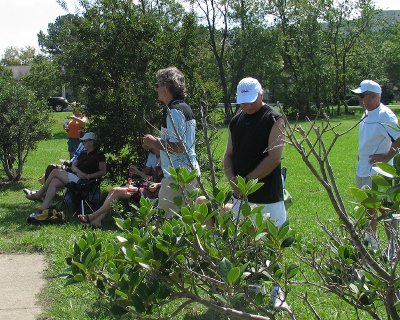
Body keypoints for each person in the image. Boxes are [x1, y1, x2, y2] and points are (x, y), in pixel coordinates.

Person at [223, 77, 289, 310]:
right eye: (243, 101)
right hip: (240, 195)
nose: (247, 106)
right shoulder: (236, 121)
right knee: (245, 242)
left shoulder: (274, 118)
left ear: (262, 94)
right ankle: (252, 286)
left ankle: (277, 292)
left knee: (274, 243)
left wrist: (247, 182)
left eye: (251, 100)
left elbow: (274, 157)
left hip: (268, 195)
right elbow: (228, 155)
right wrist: (232, 179)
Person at [143, 66, 200, 218]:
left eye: (157, 85)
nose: (156, 89)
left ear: (166, 87)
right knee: (188, 223)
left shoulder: (174, 111)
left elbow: (179, 147)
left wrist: (154, 142)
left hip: (178, 178)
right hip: (188, 174)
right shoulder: (183, 108)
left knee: (164, 222)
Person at [351, 80, 400, 249]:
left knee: (385, 211)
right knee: (368, 209)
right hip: (363, 169)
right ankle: (372, 246)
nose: (360, 99)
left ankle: (392, 248)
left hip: (379, 173)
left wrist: (386, 157)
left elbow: (398, 138)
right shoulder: (366, 113)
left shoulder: (385, 115)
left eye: (362, 96)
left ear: (373, 96)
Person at [77, 148, 162, 228]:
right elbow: (147, 177)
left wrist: (157, 184)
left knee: (117, 191)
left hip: (154, 193)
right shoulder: (153, 155)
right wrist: (137, 172)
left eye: (150, 147)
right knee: (114, 190)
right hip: (146, 186)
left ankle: (93, 216)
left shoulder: (167, 158)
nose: (150, 150)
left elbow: (169, 181)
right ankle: (97, 220)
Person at [23, 132, 106, 213]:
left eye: (84, 141)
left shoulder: (99, 155)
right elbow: (74, 165)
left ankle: (39, 194)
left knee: (55, 171)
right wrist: (76, 170)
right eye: (82, 141)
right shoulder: (83, 153)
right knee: (54, 181)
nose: (82, 143)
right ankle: (44, 206)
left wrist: (89, 175)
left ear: (91, 142)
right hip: (75, 175)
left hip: (84, 182)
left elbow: (103, 171)